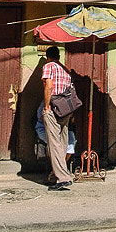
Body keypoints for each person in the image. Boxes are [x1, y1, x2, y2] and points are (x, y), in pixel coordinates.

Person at [40, 46, 75, 191]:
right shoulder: (66, 70)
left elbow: (48, 86)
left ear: (48, 57)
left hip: (54, 107)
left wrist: (46, 106)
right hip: (65, 109)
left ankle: (63, 179)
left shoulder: (49, 66)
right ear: (59, 56)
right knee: (62, 142)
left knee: (54, 144)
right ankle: (56, 176)